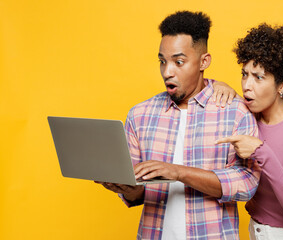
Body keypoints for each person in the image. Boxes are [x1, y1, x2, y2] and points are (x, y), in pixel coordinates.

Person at [95, 11, 260, 240]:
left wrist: (178, 172)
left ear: (204, 61)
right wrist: (126, 188)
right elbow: (137, 193)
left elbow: (247, 183)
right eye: (162, 61)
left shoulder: (234, 112)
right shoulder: (140, 115)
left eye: (178, 62)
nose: (167, 71)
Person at [215, 23, 283, 239]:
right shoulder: (246, 117)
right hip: (256, 231)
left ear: (282, 86)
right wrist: (220, 85)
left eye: (259, 77)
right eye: (244, 74)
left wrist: (261, 151)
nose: (247, 85)